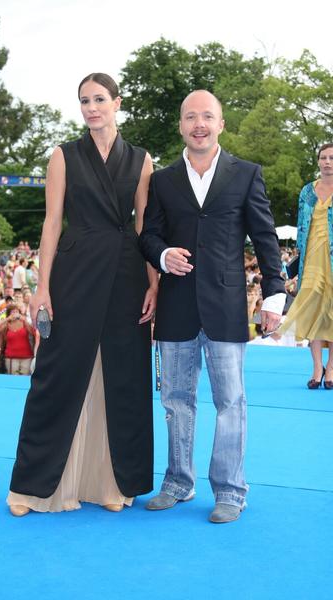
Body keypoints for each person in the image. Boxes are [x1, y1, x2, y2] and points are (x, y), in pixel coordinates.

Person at [6, 72, 157, 517]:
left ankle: (110, 481)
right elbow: (52, 222)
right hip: (74, 273)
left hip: (127, 274)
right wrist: (42, 287)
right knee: (58, 373)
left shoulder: (142, 160)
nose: (92, 108)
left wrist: (154, 284)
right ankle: (33, 488)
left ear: (117, 103)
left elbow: (145, 227)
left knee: (123, 376)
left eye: (99, 99)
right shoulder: (64, 155)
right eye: (84, 101)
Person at [140, 90, 286, 523]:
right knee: (175, 401)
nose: (199, 124)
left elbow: (265, 238)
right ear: (181, 126)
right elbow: (148, 236)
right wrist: (163, 255)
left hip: (225, 306)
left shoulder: (247, 174)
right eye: (190, 117)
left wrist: (274, 296)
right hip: (176, 307)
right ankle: (177, 482)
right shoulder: (162, 180)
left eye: (207, 116)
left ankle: (230, 490)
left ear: (221, 123)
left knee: (231, 401)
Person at [278, 143, 333, 388]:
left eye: (332, 158)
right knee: (312, 311)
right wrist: (297, 265)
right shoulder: (307, 191)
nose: (327, 162)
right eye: (323, 157)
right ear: (318, 161)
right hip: (311, 259)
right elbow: (301, 227)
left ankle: (331, 368)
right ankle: (317, 367)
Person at [0, 304, 35, 375]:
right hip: (11, 356)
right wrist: (7, 319)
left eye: (16, 311)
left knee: (25, 377)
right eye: (13, 312)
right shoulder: (7, 324)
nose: (15, 313)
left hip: (26, 356)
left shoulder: (24, 322)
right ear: (9, 313)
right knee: (13, 377)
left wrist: (25, 320)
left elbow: (32, 332)